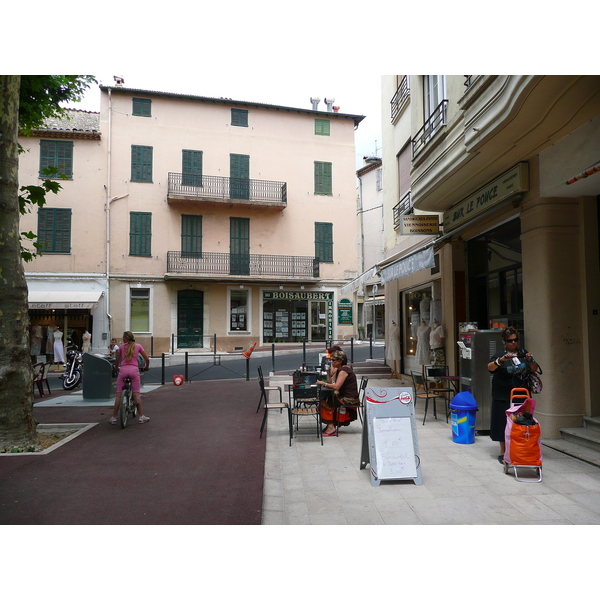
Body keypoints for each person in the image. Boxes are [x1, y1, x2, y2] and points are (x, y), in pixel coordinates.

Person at [487, 326, 539, 463]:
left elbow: (534, 369)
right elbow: (490, 368)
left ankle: (522, 447)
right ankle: (503, 451)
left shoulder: (523, 352)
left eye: (515, 340)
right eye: (510, 341)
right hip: (503, 394)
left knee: (523, 421)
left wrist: (530, 360)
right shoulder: (499, 355)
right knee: (502, 423)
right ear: (505, 341)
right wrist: (501, 360)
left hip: (522, 394)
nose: (513, 343)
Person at [110, 331, 150, 424]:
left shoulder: (121, 347)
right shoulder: (138, 346)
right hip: (134, 371)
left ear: (125, 338)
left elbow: (117, 361)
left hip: (123, 370)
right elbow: (146, 359)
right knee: (136, 395)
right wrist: (146, 367)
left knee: (119, 396)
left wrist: (117, 368)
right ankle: (141, 416)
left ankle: (114, 417)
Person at [317, 350, 360, 436]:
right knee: (326, 399)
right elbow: (331, 382)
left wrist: (324, 383)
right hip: (344, 396)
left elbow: (336, 386)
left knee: (323, 402)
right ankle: (332, 424)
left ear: (340, 361)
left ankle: (331, 427)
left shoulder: (344, 371)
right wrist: (328, 372)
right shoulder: (339, 370)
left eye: (333, 360)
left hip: (349, 399)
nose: (331, 362)